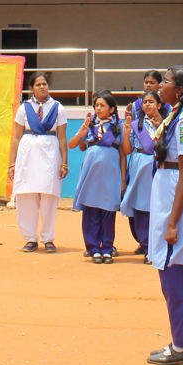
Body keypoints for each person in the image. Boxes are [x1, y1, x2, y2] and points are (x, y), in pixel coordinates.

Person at [146, 66, 183, 365]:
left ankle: (182, 345)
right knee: (171, 267)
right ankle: (182, 334)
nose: (160, 86)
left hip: (176, 196)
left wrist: (172, 221)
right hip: (167, 191)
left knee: (175, 271)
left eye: (167, 82)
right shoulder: (176, 115)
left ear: (180, 90)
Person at [9, 72, 68, 252]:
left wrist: (64, 162)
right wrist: (12, 163)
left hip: (49, 151)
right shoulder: (23, 108)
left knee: (49, 195)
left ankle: (48, 238)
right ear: (31, 88)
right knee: (26, 195)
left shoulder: (58, 108)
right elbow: (17, 138)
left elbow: (63, 138)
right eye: (38, 84)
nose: (42, 87)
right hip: (28, 152)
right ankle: (30, 238)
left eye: (44, 84)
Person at [70, 91, 125, 263]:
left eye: (102, 105)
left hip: (111, 176)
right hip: (91, 176)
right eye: (96, 106)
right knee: (91, 211)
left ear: (112, 109)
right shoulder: (90, 125)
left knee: (108, 212)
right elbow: (74, 146)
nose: (98, 109)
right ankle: (93, 248)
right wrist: (81, 133)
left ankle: (107, 247)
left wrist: (123, 179)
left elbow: (123, 154)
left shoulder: (119, 127)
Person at [122, 89, 164, 259]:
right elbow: (127, 149)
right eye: (145, 102)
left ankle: (155, 246)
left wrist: (159, 126)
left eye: (152, 102)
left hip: (159, 166)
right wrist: (126, 134)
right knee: (140, 205)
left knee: (157, 205)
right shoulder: (135, 125)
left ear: (159, 104)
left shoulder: (166, 123)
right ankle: (145, 243)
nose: (148, 105)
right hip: (139, 165)